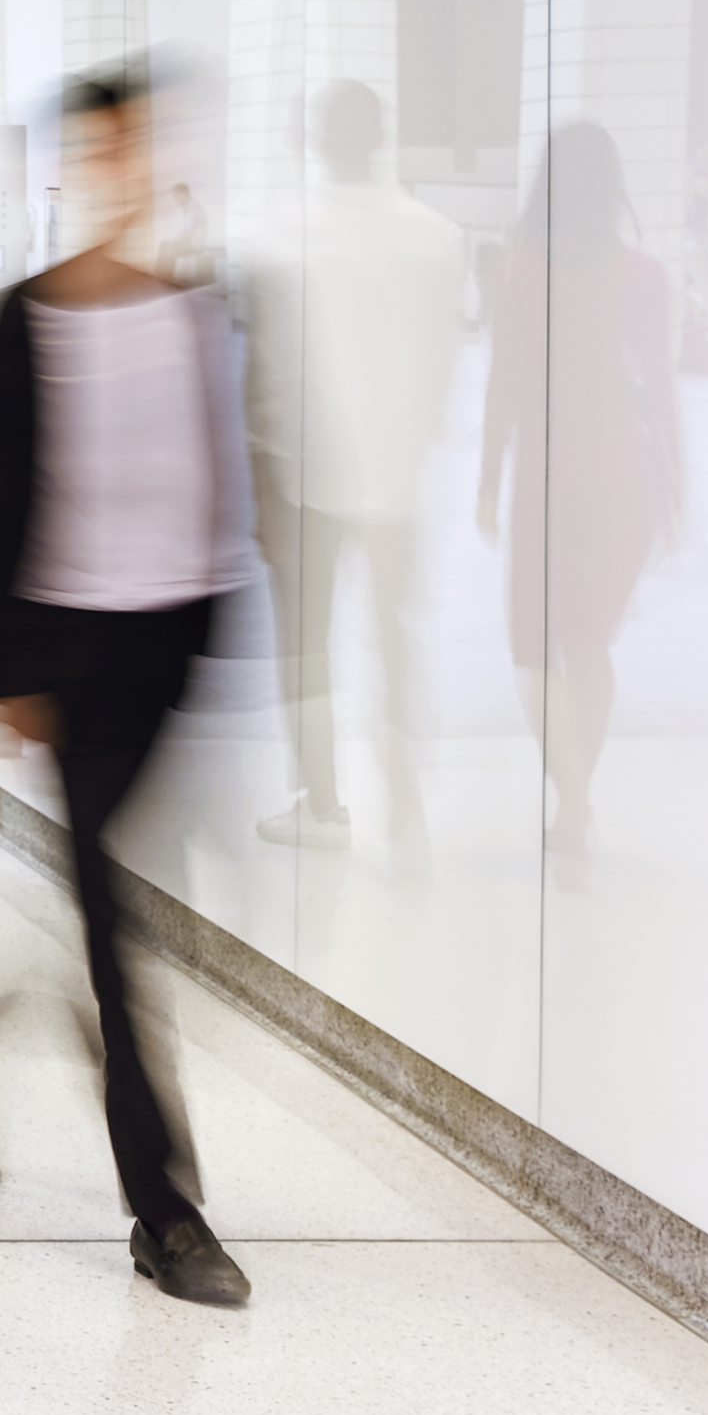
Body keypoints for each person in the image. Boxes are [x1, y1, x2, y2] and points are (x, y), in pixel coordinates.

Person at [0, 64, 255, 1311]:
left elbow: (220, 482)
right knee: (111, 924)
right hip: (71, 659)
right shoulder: (28, 316)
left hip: (164, 658)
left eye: (142, 148)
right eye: (105, 151)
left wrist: (214, 654)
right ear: (71, 169)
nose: (125, 170)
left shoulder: (196, 313)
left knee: (110, 918)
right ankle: (166, 1210)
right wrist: (6, 678)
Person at [237, 80, 463, 851]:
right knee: (394, 633)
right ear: (379, 137)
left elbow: (261, 374)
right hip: (396, 472)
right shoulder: (434, 235)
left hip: (305, 478)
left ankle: (323, 803)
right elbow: (443, 356)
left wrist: (258, 482)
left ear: (315, 139)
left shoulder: (279, 235)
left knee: (306, 643)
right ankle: (403, 791)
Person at [479, 121, 680, 868]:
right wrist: (678, 494)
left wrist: (484, 482)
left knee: (533, 651)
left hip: (547, 463)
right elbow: (660, 387)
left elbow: (503, 382)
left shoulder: (518, 269)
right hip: (621, 465)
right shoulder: (646, 275)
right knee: (589, 643)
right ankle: (573, 799)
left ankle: (574, 799)